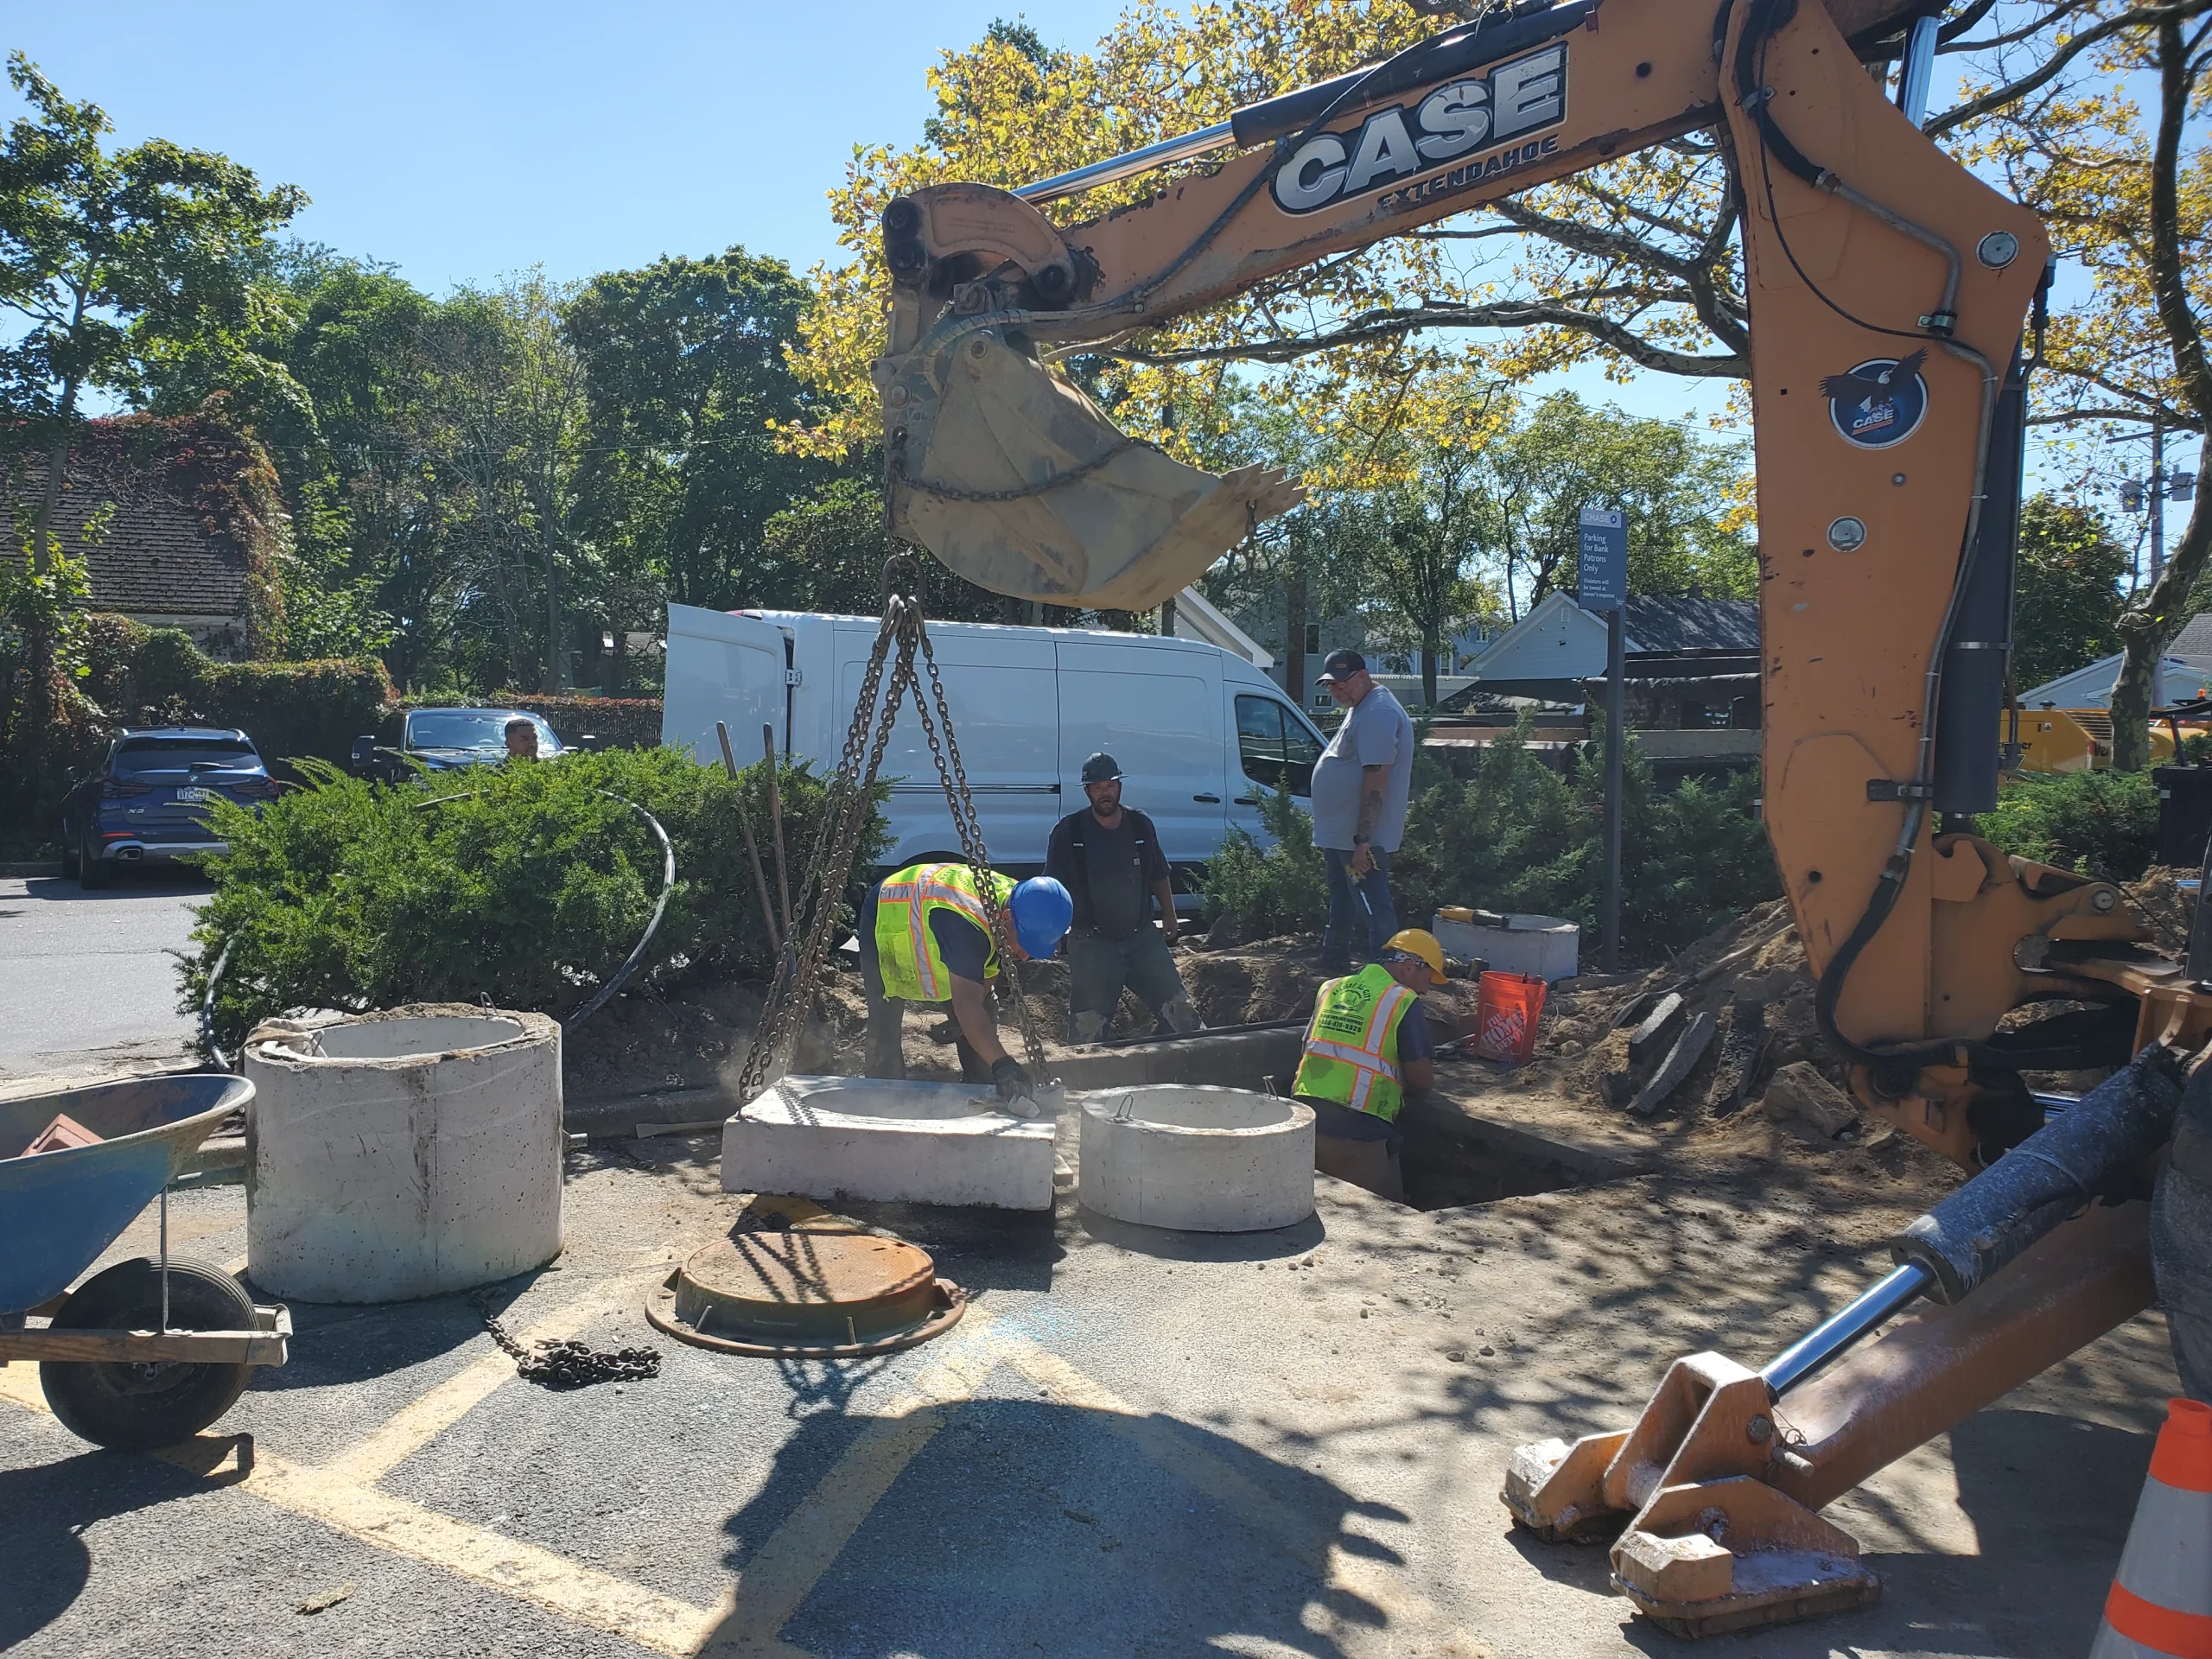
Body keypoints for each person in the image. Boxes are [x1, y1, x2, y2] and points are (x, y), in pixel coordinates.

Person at [856, 860, 1073, 1115]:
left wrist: (965, 1024)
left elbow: (986, 973)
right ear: (1006, 918)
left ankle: (983, 1089)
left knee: (981, 1016)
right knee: (885, 1016)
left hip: (936, 911)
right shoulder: (967, 925)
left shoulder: (1024, 905)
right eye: (1026, 944)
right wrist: (1004, 1063)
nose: (1025, 957)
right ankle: (883, 1102)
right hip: (888, 913)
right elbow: (967, 1003)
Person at [1045, 752, 1202, 1044]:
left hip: (1141, 938)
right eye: (1097, 788)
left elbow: (1158, 873)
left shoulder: (1140, 825)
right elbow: (1053, 888)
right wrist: (1052, 933)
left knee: (1182, 1014)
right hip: (1091, 944)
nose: (1105, 793)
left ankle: (1194, 1071)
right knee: (1086, 1031)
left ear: (1119, 787)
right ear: (1088, 792)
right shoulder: (1069, 832)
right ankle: (1084, 1083)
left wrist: (1169, 914)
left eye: (1110, 785)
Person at [1292, 928, 1444, 1202]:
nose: (1426, 988)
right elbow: (1422, 1082)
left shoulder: (1331, 988)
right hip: (1357, 1135)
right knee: (1391, 1219)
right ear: (1410, 967)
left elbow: (1312, 1048)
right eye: (1427, 977)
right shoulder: (1402, 1000)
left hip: (1304, 1125)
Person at [1309, 649, 1414, 974]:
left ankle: (1385, 976)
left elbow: (1376, 780)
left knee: (1373, 908)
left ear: (1363, 676)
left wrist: (1363, 840)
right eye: (1330, 685)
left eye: (1342, 682)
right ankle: (1334, 962)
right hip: (1343, 835)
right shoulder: (1361, 707)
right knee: (1342, 901)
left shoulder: (1377, 713)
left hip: (1360, 839)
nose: (1336, 690)